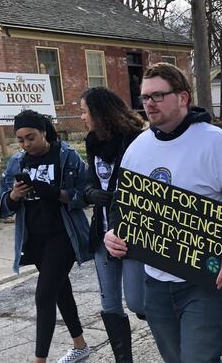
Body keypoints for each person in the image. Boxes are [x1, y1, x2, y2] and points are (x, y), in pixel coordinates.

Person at [103, 63, 222, 363]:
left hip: (205, 279)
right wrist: (113, 231)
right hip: (156, 283)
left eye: (158, 95)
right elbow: (120, 200)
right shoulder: (137, 148)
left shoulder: (215, 142)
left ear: (183, 97)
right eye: (144, 97)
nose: (149, 103)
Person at [0, 110, 92, 363]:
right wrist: (14, 196)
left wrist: (56, 193)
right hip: (34, 238)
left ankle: (40, 360)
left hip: (63, 235)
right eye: (20, 140)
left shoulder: (66, 156)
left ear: (44, 132)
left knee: (44, 295)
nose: (26, 144)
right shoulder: (17, 162)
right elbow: (3, 204)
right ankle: (80, 345)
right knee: (60, 290)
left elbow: (84, 194)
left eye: (31, 137)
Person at [80, 87, 145, 362]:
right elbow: (89, 181)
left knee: (137, 301)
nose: (82, 116)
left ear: (99, 112)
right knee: (109, 304)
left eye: (84, 111)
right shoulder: (92, 141)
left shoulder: (136, 141)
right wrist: (90, 193)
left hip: (131, 235)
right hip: (102, 232)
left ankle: (171, 335)